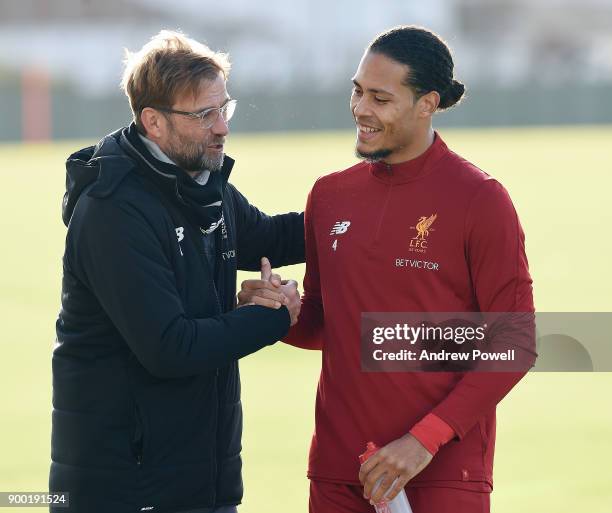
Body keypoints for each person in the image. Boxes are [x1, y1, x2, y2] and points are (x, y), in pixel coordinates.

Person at [238, 26, 536, 513]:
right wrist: (279, 312)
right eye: (357, 91)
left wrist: (423, 441)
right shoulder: (329, 195)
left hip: (441, 474)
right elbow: (326, 322)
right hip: (340, 473)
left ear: (427, 103)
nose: (360, 109)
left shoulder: (481, 200)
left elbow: (516, 341)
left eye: (380, 97)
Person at [50, 30, 304, 513]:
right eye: (204, 114)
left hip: (199, 484)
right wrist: (275, 316)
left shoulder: (200, 183)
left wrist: (354, 215)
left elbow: (271, 237)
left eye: (223, 109)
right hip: (124, 489)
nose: (222, 127)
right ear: (154, 122)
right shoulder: (114, 209)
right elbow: (170, 348)